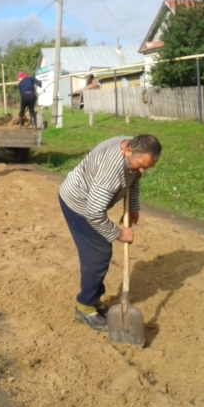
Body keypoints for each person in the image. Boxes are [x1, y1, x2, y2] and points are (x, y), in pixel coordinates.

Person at [59, 134, 162, 331]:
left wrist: (132, 207)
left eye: (147, 168)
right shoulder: (111, 171)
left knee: (100, 251)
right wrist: (119, 234)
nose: (142, 171)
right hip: (78, 204)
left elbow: (134, 179)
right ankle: (85, 307)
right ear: (129, 151)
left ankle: (94, 300)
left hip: (91, 203)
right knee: (97, 254)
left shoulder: (133, 148)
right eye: (141, 165)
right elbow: (93, 213)